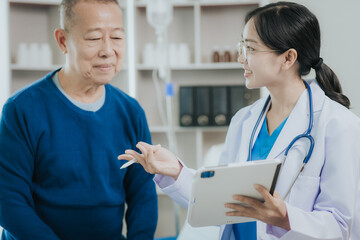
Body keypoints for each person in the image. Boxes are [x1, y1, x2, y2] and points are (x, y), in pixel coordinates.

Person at [118, 2, 360, 240]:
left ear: (288, 58)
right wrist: (176, 172)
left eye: (251, 49)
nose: (241, 58)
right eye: (242, 47)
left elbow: (340, 227)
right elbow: (221, 200)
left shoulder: (338, 125)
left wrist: (285, 217)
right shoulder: (244, 120)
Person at [0, 0, 158, 239]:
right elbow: (8, 201)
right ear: (63, 41)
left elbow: (143, 196)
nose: (107, 50)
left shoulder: (131, 111)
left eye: (116, 37)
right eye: (94, 38)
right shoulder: (21, 110)